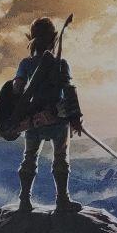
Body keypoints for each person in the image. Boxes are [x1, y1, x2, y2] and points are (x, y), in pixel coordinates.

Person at [13, 17, 83, 213]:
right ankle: (62, 200)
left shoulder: (26, 63)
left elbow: (17, 88)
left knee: (29, 158)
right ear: (53, 39)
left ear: (32, 39)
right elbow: (69, 91)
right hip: (58, 120)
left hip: (34, 120)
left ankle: (24, 201)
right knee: (60, 158)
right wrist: (75, 117)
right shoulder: (61, 64)